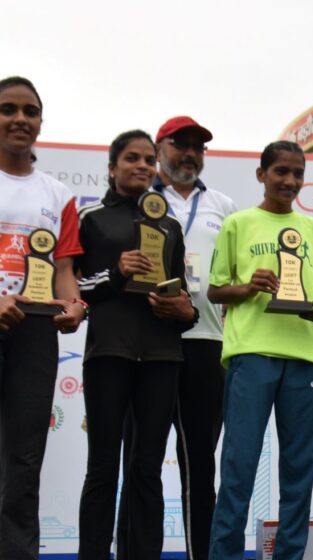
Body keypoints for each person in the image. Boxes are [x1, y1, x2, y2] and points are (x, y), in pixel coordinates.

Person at [116, 116, 238, 560]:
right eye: (179, 144)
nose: (189, 153)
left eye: (197, 147)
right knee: (140, 463)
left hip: (206, 342)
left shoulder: (224, 205)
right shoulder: (139, 200)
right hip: (146, 344)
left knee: (200, 466)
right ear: (159, 148)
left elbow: (235, 275)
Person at [207, 140, 313, 560]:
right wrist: (248, 287)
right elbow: (214, 289)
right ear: (261, 175)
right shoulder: (238, 224)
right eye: (281, 171)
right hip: (252, 354)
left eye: (298, 173)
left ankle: (289, 556)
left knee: (299, 472)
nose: (290, 181)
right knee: (239, 468)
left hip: (306, 357)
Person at [76, 129, 198, 559]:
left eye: (149, 159)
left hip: (163, 357)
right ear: (112, 167)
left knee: (147, 470)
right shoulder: (90, 217)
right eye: (132, 158)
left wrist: (188, 314)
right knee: (103, 467)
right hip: (108, 353)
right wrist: (116, 271)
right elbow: (77, 287)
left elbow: (181, 293)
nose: (142, 166)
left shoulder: (169, 224)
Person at [0, 75, 87, 559]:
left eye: (29, 111)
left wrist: (74, 305)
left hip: (34, 329)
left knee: (25, 454)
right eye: (8, 109)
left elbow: (64, 269)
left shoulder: (57, 194)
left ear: (39, 122)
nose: (19, 119)